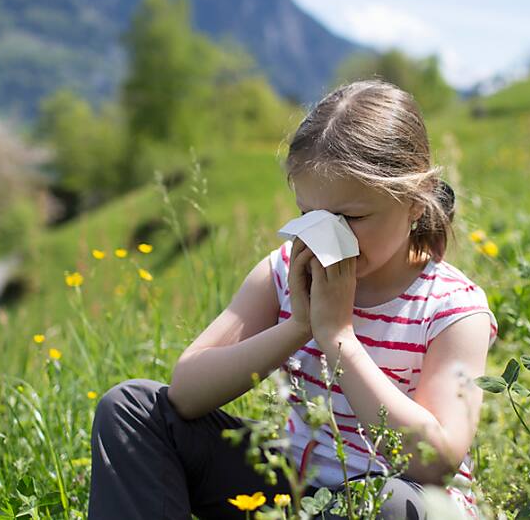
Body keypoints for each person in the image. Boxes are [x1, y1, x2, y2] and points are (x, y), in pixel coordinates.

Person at [87, 79, 499, 519]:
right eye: (310, 215)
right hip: (295, 489)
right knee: (131, 408)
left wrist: (338, 337)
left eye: (351, 217)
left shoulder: (452, 310)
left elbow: (434, 464)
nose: (327, 235)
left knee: (392, 504)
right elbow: (186, 393)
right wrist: (299, 326)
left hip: (395, 500)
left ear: (415, 201)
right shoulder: (287, 270)